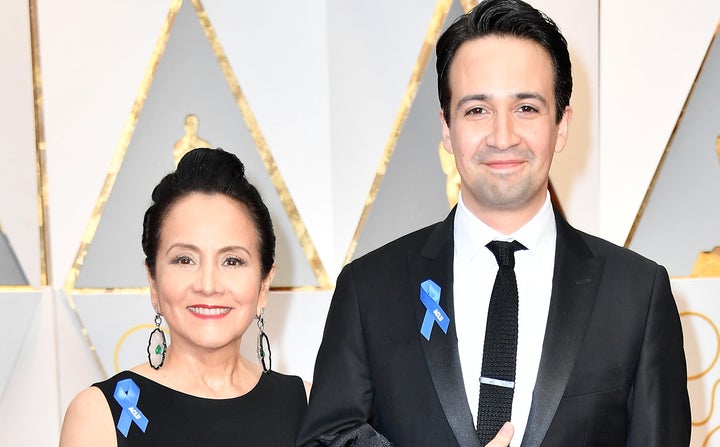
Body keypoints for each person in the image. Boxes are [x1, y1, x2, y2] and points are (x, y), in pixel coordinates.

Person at [297, 0, 691, 446]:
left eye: (526, 108)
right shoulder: (369, 290)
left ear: (562, 124)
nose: (503, 136)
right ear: (446, 128)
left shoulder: (636, 294)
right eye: (477, 110)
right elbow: (326, 440)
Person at [60, 148, 307, 446]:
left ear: (264, 284)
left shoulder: (309, 408)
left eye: (232, 261)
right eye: (184, 260)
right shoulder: (99, 415)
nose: (208, 284)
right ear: (153, 281)